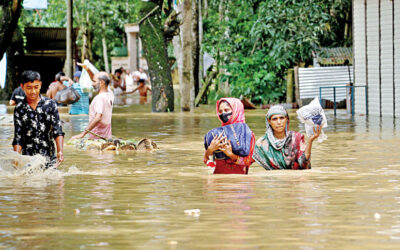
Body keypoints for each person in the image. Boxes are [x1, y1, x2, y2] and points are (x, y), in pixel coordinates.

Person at [12, 70, 64, 167]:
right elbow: (18, 137)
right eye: (29, 88)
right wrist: (16, 158)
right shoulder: (19, 109)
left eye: (36, 87)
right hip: (27, 158)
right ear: (22, 87)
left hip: (48, 156)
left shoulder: (50, 104)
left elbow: (58, 131)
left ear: (40, 85)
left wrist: (60, 151)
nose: (33, 91)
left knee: (55, 180)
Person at [252, 105, 321, 170]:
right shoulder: (261, 144)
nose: (279, 122)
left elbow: (304, 165)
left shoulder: (296, 138)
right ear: (269, 121)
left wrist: (310, 141)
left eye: (281, 118)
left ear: (287, 119)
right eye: (274, 119)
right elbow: (247, 162)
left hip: (294, 180)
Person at [203, 98, 255, 174]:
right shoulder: (217, 134)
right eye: (220, 111)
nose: (223, 114)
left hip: (239, 181)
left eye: (226, 110)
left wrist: (231, 154)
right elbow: (208, 162)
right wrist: (210, 150)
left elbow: (248, 162)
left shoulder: (247, 134)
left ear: (236, 111)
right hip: (217, 181)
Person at [71, 64, 114, 140]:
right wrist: (87, 69)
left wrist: (82, 134)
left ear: (102, 83)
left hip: (97, 137)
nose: (92, 84)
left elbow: (98, 118)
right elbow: (96, 78)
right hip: (106, 136)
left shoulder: (99, 98)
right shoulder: (110, 94)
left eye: (94, 82)